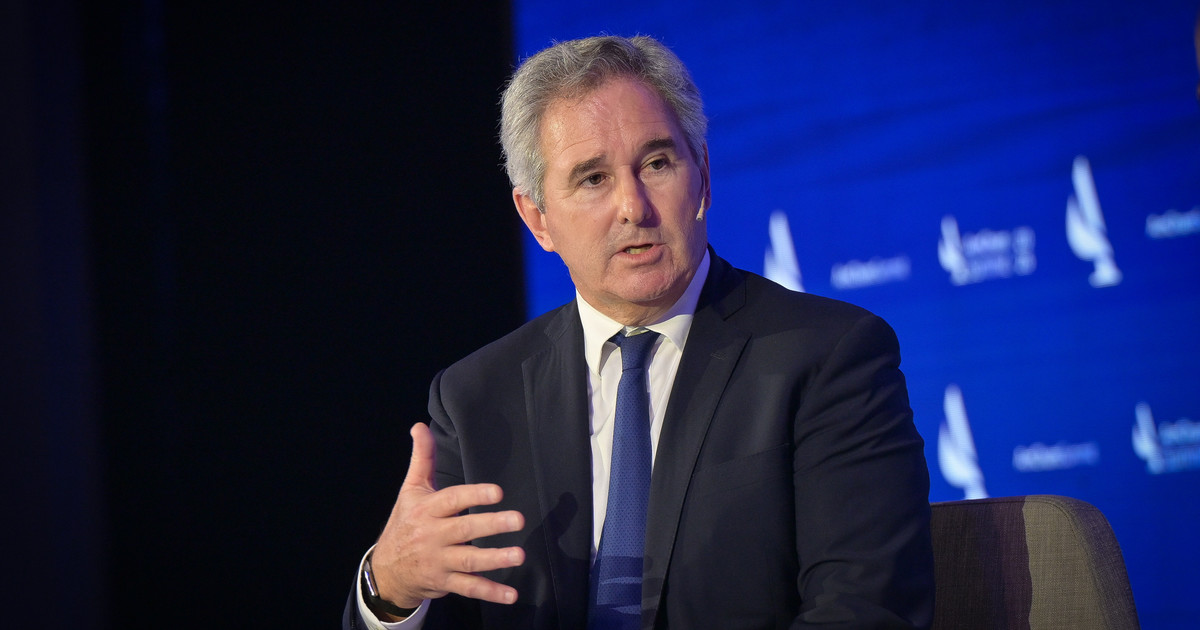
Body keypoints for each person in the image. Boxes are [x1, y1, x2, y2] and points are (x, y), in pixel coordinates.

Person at [344, 35, 934, 629]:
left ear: (703, 176)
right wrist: (388, 587)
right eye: (593, 178)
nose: (633, 206)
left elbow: (866, 609)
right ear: (537, 218)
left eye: (656, 164)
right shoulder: (475, 398)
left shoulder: (830, 355)